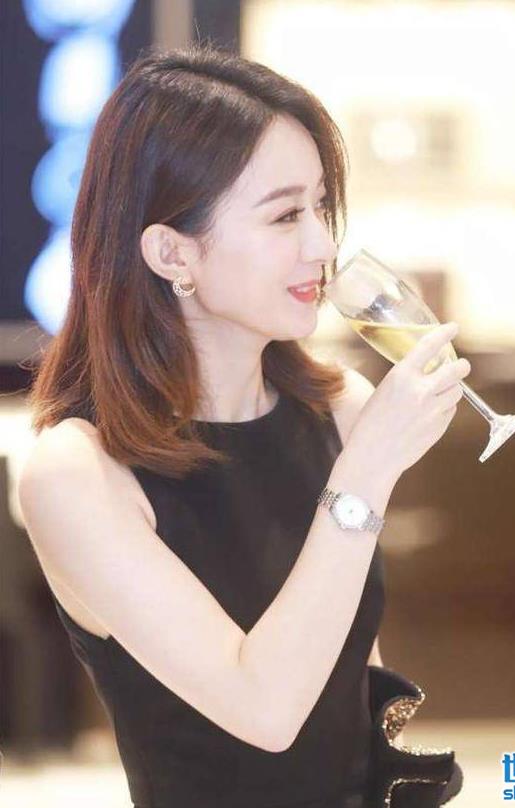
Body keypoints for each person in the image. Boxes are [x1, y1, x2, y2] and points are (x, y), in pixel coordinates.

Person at [17, 41, 471, 808]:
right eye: (285, 214)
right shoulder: (78, 473)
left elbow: (350, 688)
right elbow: (265, 711)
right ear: (172, 252)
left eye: (321, 206)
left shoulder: (338, 410)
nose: (322, 245)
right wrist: (365, 474)